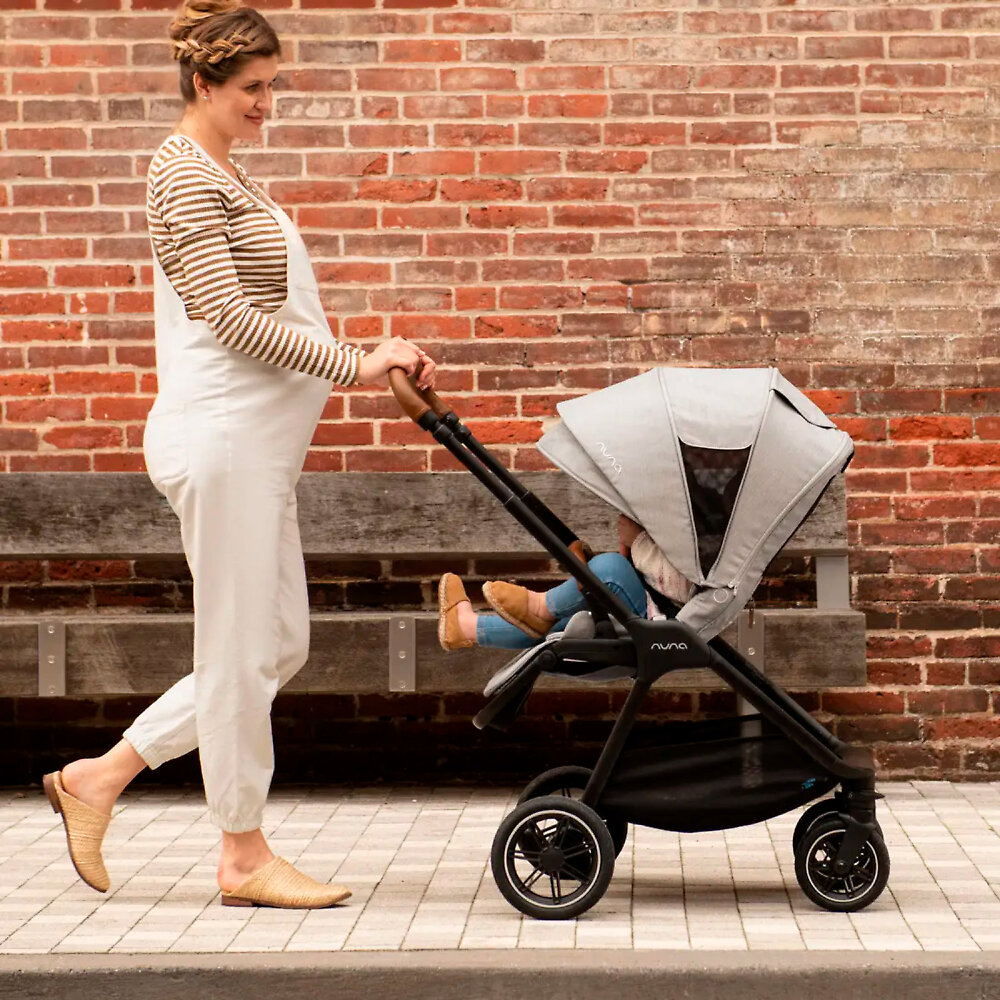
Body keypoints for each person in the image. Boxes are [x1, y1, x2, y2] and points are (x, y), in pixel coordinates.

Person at [42, 0, 437, 910]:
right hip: (222, 440)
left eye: (273, 85)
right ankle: (242, 853)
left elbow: (269, 307)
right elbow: (226, 316)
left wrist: (360, 354)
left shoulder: (230, 173)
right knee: (234, 649)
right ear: (203, 83)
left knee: (275, 644)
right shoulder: (183, 175)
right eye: (253, 87)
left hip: (257, 451)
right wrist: (354, 362)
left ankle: (98, 777)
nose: (267, 102)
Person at [438, 515, 694, 650]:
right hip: (650, 602)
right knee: (558, 626)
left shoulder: (710, 550)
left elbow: (683, 587)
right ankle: (467, 627)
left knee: (610, 569)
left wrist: (638, 542)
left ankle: (540, 606)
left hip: (664, 623)